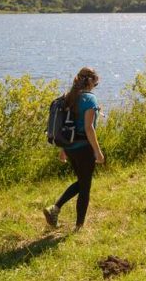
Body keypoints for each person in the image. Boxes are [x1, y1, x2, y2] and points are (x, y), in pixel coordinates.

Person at [43, 67, 105, 230]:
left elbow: (64, 124)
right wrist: (97, 151)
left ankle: (55, 209)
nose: (95, 86)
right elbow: (89, 128)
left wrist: (63, 149)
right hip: (84, 148)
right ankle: (78, 226)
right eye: (96, 83)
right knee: (85, 187)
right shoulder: (90, 100)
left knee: (82, 181)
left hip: (70, 147)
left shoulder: (69, 97)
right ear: (90, 81)